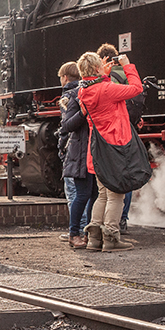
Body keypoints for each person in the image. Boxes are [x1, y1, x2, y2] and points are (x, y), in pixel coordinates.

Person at [77, 51, 143, 251]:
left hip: (97, 149)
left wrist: (102, 75)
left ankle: (95, 239)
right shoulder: (107, 89)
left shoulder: (83, 92)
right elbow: (136, 88)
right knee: (116, 195)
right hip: (115, 147)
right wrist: (127, 65)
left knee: (103, 194)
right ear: (97, 68)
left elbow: (96, 87)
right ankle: (112, 238)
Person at [96, 43, 138, 235]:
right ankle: (119, 223)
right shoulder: (123, 75)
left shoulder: (97, 86)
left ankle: (101, 232)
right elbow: (137, 90)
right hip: (125, 131)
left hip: (107, 138)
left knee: (105, 192)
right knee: (122, 182)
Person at [56, 62, 96, 249]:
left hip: (93, 149)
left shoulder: (92, 91)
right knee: (82, 194)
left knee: (94, 194)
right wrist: (83, 113)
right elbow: (66, 125)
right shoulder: (73, 96)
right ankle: (74, 233)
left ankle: (88, 232)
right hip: (80, 151)